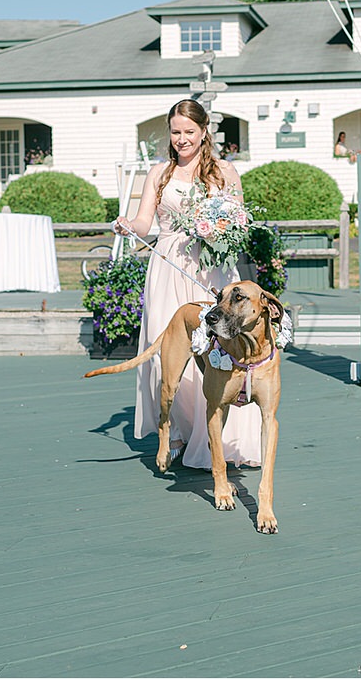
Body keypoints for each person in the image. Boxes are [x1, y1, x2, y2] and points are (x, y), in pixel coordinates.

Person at [114, 98, 261, 469]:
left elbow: (240, 221)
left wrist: (219, 229)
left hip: (211, 270)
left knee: (217, 350)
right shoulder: (159, 173)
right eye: (176, 132)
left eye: (189, 132)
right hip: (167, 268)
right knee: (164, 350)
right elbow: (144, 221)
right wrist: (129, 226)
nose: (182, 139)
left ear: (204, 131)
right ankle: (178, 431)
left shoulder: (224, 171)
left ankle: (219, 437)